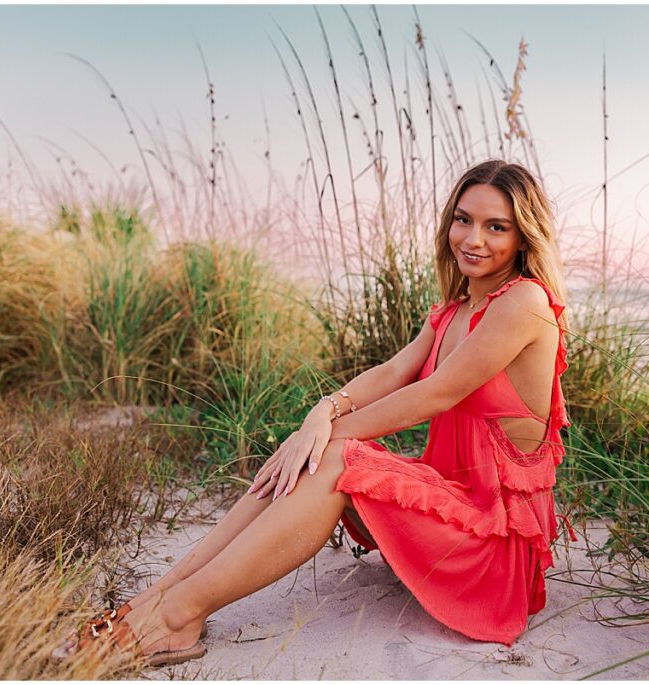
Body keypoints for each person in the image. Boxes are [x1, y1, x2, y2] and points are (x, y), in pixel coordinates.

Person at [54, 159, 575, 667]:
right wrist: (317, 418)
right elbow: (394, 372)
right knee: (316, 451)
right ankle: (163, 595)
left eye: (496, 227)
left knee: (335, 458)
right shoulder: (455, 309)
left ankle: (179, 613)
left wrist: (327, 438)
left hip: (490, 552)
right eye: (463, 219)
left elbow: (433, 394)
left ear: (524, 237)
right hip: (450, 515)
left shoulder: (525, 301)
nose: (473, 238)